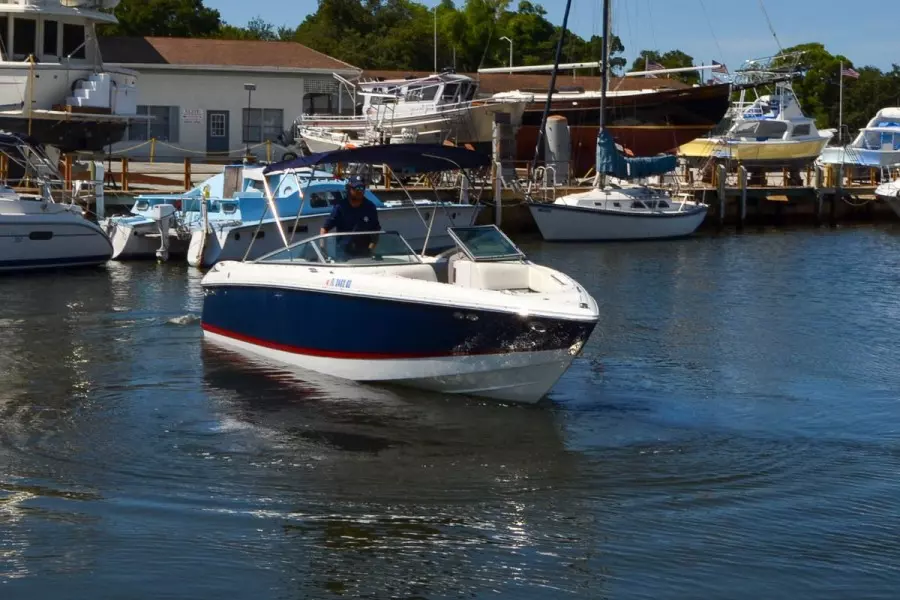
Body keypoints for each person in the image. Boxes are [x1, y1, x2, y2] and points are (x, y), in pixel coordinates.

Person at [320, 175, 381, 258]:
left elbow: (376, 232)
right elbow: (324, 229)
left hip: (363, 253)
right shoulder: (340, 207)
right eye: (356, 188)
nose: (359, 191)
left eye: (361, 188)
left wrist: (370, 250)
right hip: (343, 254)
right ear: (349, 189)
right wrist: (322, 250)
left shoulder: (370, 207)